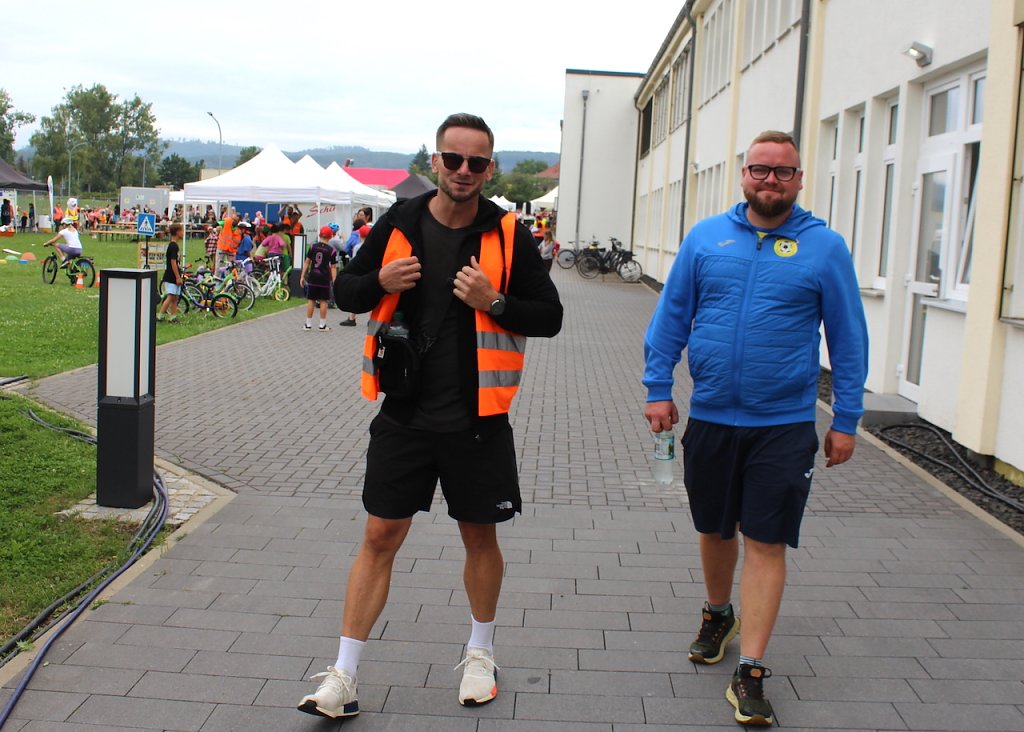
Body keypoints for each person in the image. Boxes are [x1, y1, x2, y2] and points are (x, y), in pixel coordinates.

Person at [297, 113, 562, 720]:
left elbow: (549, 316)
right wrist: (380, 278)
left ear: (489, 169)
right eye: (454, 159)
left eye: (477, 162)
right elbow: (346, 291)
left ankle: (480, 653)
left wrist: (494, 301)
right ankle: (343, 674)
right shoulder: (400, 222)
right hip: (405, 414)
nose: (464, 171)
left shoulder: (507, 233)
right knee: (378, 537)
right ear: (435, 161)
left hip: (478, 420)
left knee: (480, 536)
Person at [642, 130, 869, 728]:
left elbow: (848, 339)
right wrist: (658, 388)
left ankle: (752, 668)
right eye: (760, 170)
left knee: (766, 540)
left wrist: (846, 419)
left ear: (799, 180)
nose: (771, 180)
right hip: (712, 417)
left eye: (783, 171)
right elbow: (671, 317)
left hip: (784, 424)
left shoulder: (825, 248)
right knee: (715, 528)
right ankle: (719, 613)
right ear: (743, 175)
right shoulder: (705, 238)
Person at [300, 225, 338, 332]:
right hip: (324, 278)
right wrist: (334, 281)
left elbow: (307, 262)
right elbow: (333, 267)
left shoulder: (313, 247)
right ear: (331, 236)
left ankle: (308, 324)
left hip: (313, 276)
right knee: (323, 301)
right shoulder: (332, 250)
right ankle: (322, 325)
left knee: (311, 300)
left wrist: (302, 276)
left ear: (320, 235)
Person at [157, 223, 184, 322]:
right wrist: (177, 277)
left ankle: (173, 317)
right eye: (182, 231)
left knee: (175, 297)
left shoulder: (174, 245)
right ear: (177, 232)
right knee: (170, 296)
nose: (183, 233)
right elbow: (173, 262)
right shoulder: (173, 246)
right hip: (171, 275)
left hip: (174, 274)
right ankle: (160, 315)